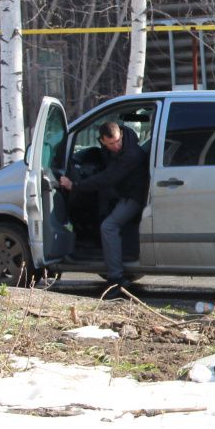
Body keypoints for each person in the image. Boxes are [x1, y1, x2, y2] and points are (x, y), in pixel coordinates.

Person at [58, 121, 148, 298]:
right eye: (110, 144)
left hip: (136, 197)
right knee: (100, 203)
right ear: (102, 141)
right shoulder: (113, 149)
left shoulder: (132, 153)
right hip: (123, 192)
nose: (115, 146)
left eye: (117, 142)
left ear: (121, 134)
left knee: (108, 226)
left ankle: (116, 279)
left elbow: (108, 177)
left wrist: (75, 185)